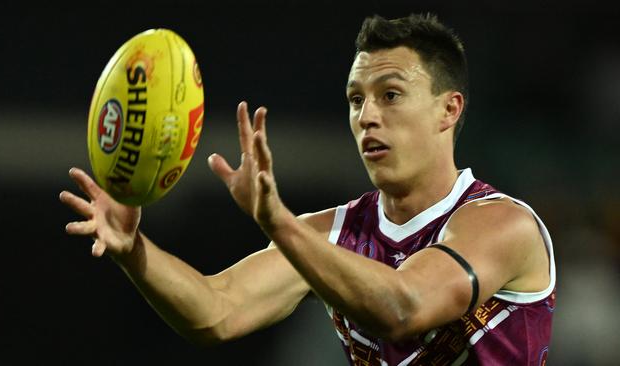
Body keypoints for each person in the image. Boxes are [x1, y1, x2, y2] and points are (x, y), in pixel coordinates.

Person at [60, 13, 556, 365]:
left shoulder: (503, 223)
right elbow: (216, 311)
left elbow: (404, 308)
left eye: (390, 95)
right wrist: (133, 250)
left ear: (449, 109)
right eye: (355, 99)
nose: (367, 116)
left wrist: (276, 220)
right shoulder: (333, 232)